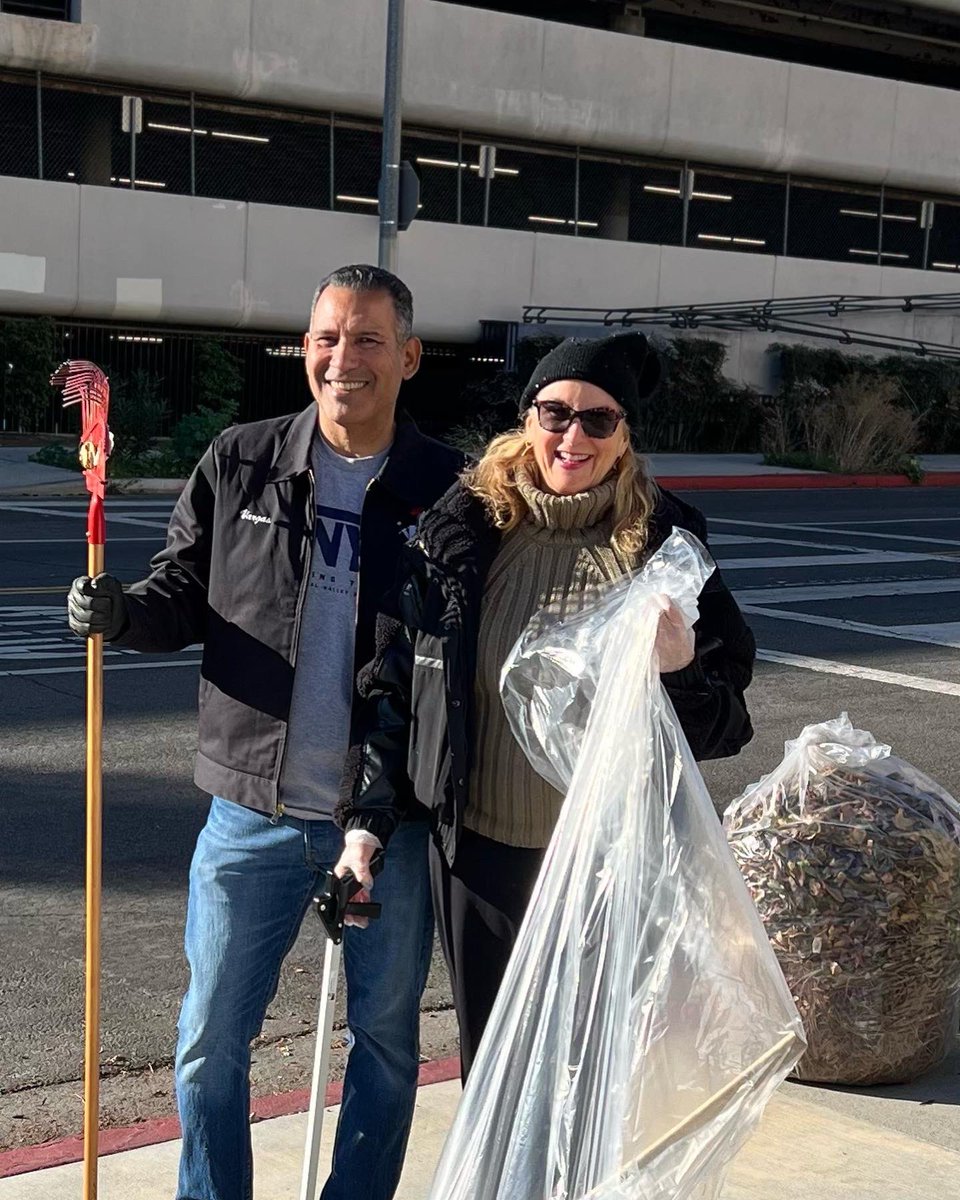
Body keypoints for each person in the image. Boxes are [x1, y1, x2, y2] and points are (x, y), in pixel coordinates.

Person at [66, 264, 465, 1200]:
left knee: (387, 1042)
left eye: (368, 339)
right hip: (251, 814)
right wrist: (121, 613)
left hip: (390, 825)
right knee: (209, 1041)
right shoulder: (241, 460)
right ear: (303, 349)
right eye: (326, 337)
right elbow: (179, 595)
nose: (343, 358)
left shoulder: (446, 488)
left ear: (408, 356)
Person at [335, 331, 757, 1077]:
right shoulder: (460, 535)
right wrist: (365, 825)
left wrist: (680, 667)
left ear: (624, 437)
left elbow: (726, 723)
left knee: (591, 1084)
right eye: (556, 412)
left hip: (609, 866)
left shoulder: (663, 549)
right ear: (526, 419)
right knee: (495, 1073)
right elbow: (396, 686)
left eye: (599, 420)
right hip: (480, 862)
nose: (574, 435)